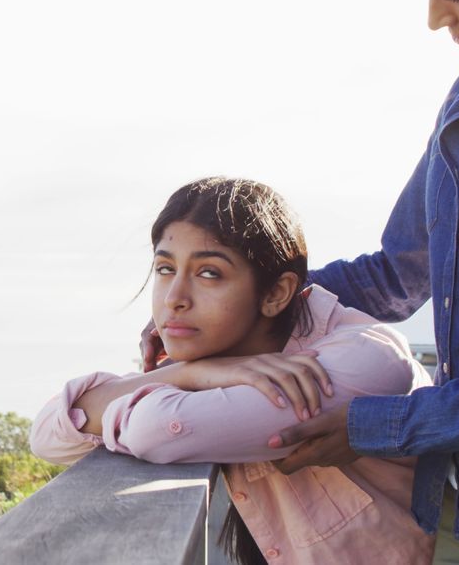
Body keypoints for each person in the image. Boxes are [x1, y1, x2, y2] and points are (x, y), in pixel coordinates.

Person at [142, 0, 459, 562]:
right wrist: (219, 309)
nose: (435, 17)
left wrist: (386, 424)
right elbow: (399, 270)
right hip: (458, 510)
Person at [31, 177, 435, 564]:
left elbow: (154, 430)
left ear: (276, 293)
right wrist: (188, 374)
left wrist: (188, 374)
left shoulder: (361, 361)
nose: (174, 299)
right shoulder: (219, 354)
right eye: (165, 269)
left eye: (209, 273)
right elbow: (49, 437)